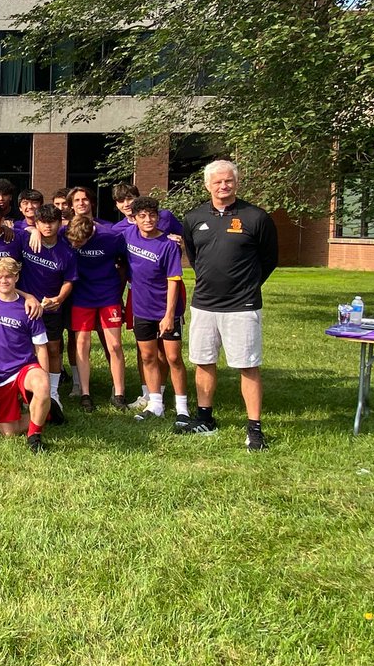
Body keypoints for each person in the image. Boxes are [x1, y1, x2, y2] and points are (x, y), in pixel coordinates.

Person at [182, 160, 278, 449]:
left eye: (228, 181)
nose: (223, 186)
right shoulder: (193, 217)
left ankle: (254, 428)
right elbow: (195, 257)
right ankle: (205, 418)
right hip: (204, 304)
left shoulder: (256, 217)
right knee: (203, 361)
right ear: (207, 185)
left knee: (247, 365)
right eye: (217, 182)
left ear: (236, 183)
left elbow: (269, 259)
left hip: (242, 306)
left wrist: (247, 286)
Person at [123, 196, 189, 423]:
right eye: (142, 216)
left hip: (166, 310)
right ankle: (155, 404)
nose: (148, 220)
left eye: (152, 215)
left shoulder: (168, 244)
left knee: (173, 357)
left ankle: (182, 407)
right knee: (148, 356)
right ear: (134, 219)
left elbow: (174, 281)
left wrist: (169, 314)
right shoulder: (127, 235)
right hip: (141, 309)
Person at [0, 258, 52, 452]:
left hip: (24, 367)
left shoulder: (29, 309)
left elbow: (41, 347)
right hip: (0, 375)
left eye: (9, 276)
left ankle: (34, 436)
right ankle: (46, 412)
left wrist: (46, 380)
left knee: (42, 385)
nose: (4, 280)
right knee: (8, 432)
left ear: (16, 277)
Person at [18, 203, 76, 419]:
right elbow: (5, 228)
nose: (48, 226)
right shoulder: (25, 240)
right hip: (24, 306)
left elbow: (69, 280)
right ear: (37, 223)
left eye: (52, 222)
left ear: (60, 223)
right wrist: (31, 230)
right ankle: (26, 391)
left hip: (51, 307)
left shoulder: (66, 251)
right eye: (43, 222)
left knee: (53, 348)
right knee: (25, 349)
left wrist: (59, 299)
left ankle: (52, 392)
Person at [65, 214, 129, 411]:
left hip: (108, 295)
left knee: (115, 345)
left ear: (90, 235)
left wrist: (119, 291)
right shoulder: (66, 232)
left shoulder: (112, 237)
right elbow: (44, 229)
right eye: (72, 242)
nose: (74, 246)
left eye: (78, 243)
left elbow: (125, 262)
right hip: (82, 296)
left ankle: (119, 393)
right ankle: (85, 393)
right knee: (82, 344)